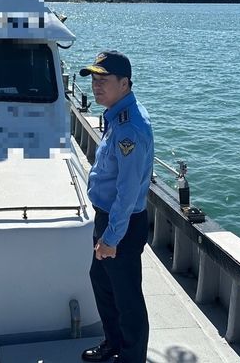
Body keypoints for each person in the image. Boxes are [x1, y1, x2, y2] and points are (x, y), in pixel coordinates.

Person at [79, 51, 154, 363]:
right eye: (94, 80)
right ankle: (113, 342)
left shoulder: (129, 128)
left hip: (121, 222)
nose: (96, 86)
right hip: (109, 218)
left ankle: (131, 356)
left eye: (104, 81)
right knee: (102, 281)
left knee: (127, 297)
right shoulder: (116, 115)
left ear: (124, 83)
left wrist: (111, 238)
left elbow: (127, 192)